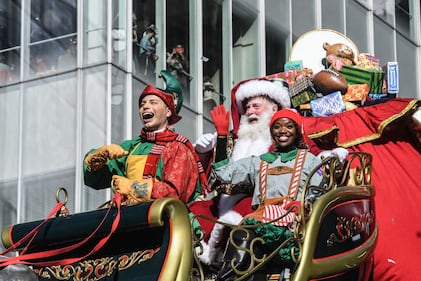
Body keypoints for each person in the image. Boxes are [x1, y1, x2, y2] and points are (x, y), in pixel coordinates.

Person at [190, 77, 347, 266]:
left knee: (245, 219)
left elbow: (315, 168)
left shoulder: (291, 144)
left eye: (256, 106)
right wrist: (219, 139)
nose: (250, 112)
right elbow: (219, 175)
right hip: (232, 202)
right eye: (246, 108)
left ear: (275, 109)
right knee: (192, 213)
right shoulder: (244, 146)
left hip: (266, 207)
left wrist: (328, 156)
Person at [212, 109, 323, 280]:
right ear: (272, 132)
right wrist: (221, 136)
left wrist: (303, 206)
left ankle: (227, 274)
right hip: (261, 221)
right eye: (277, 126)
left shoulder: (310, 160)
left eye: (289, 126)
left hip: (295, 225)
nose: (282, 130)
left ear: (297, 131)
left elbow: (320, 192)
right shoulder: (259, 161)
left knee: (245, 233)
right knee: (242, 236)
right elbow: (223, 173)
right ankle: (229, 273)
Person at [83, 71, 209, 205]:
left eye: (153, 102)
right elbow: (96, 180)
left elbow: (174, 194)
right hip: (132, 218)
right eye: (142, 104)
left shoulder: (178, 148)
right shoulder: (131, 147)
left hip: (166, 222)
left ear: (168, 111)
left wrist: (132, 187)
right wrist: (97, 159)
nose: (146, 106)